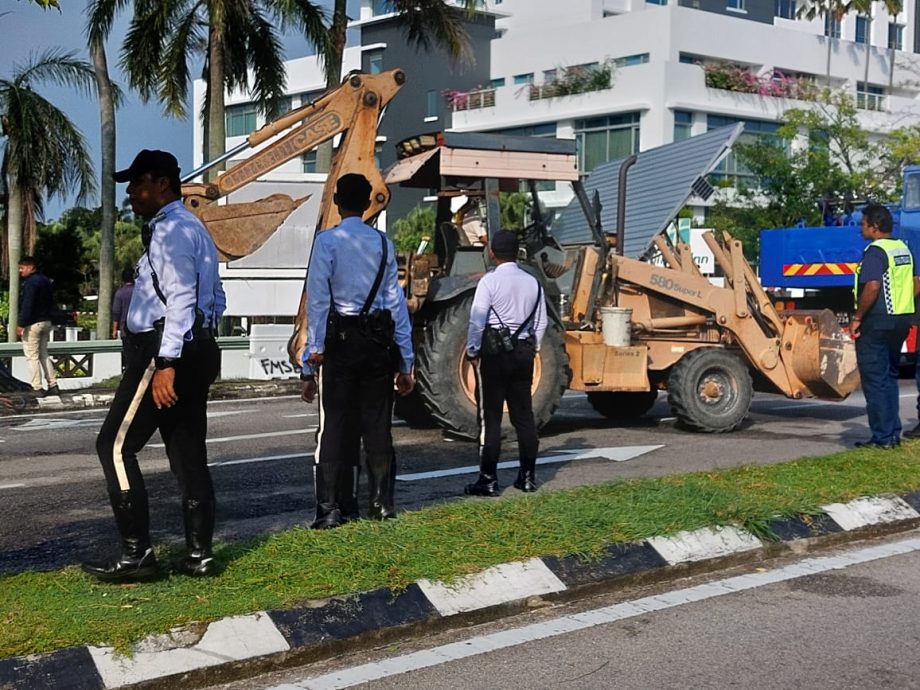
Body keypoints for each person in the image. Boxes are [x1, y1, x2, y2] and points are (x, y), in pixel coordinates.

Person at [82, 149, 226, 583]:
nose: (131, 192)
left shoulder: (169, 231)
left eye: (138, 183)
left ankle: (137, 555)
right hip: (193, 345)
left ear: (162, 184)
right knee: (187, 453)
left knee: (113, 446)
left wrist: (166, 362)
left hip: (164, 349)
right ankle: (199, 555)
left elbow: (181, 297)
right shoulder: (192, 227)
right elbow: (214, 297)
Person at [301, 173, 415, 529]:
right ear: (368, 203)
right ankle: (381, 505)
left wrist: (312, 355)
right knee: (377, 424)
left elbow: (318, 302)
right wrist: (406, 361)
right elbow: (396, 304)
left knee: (333, 424)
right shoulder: (383, 244)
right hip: (378, 345)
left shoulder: (326, 241)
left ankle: (330, 508)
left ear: (337, 202)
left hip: (340, 345)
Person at [464, 229, 547, 496]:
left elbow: (477, 320)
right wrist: (533, 347)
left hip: (495, 354)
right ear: (517, 252)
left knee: (492, 417)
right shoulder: (533, 282)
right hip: (523, 351)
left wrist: (473, 350)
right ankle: (527, 476)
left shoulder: (489, 282)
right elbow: (542, 322)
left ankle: (488, 478)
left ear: (492, 252)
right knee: (524, 416)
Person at [851, 203, 918, 449]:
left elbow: (873, 286)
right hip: (900, 319)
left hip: (877, 320)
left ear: (874, 227)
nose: (861, 228)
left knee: (875, 379)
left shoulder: (875, 252)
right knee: (889, 376)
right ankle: (892, 433)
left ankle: (882, 437)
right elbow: (915, 282)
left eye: (863, 223)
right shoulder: (903, 249)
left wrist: (858, 317)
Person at [16, 256, 59, 397]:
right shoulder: (45, 280)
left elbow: (27, 305)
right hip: (46, 321)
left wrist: (21, 324)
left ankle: (37, 387)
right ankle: (53, 384)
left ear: (30, 267)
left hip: (33, 323)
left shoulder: (30, 283)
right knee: (44, 354)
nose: (20, 271)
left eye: (22, 267)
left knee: (32, 356)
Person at [111, 267, 136, 339]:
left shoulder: (120, 293)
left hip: (125, 329)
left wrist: (114, 329)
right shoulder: (139, 292)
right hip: (140, 328)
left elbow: (116, 312)